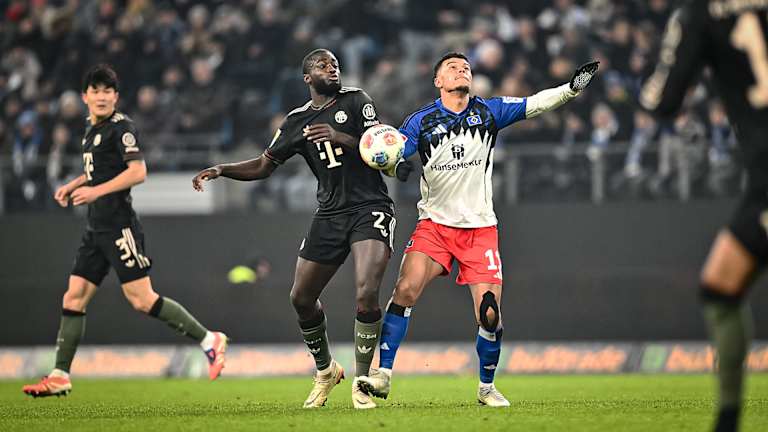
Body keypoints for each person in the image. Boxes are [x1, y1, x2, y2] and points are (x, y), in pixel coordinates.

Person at [357, 52, 598, 406]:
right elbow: (393, 155)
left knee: (489, 313)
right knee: (405, 288)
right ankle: (383, 375)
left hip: (480, 229)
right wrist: (396, 169)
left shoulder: (489, 111)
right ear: (438, 81)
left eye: (466, 67)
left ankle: (486, 387)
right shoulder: (420, 121)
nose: (462, 70)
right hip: (434, 225)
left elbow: (535, 104)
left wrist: (571, 90)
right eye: (453, 67)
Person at [192, 49, 406, 409]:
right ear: (307, 78)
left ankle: (362, 381)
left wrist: (342, 137)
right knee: (300, 298)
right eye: (323, 65)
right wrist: (222, 169)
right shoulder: (296, 122)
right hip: (329, 214)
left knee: (366, 291)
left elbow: (379, 148)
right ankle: (325, 370)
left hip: (370, 207)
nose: (332, 68)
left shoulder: (356, 101)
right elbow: (263, 165)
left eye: (335, 64)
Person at [22, 64, 228, 398]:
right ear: (85, 96)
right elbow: (100, 171)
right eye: (96, 91)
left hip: (119, 227)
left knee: (143, 300)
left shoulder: (122, 128)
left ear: (115, 97)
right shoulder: (90, 128)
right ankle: (60, 374)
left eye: (108, 91)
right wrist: (72, 184)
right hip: (95, 229)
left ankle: (210, 340)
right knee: (73, 296)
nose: (102, 97)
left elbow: (137, 172)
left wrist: (95, 192)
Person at [639, 3, 768, 431]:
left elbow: (662, 101)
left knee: (720, 293)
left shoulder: (699, 13)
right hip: (761, 185)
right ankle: (727, 422)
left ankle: (727, 422)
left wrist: (647, 84)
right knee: (719, 286)